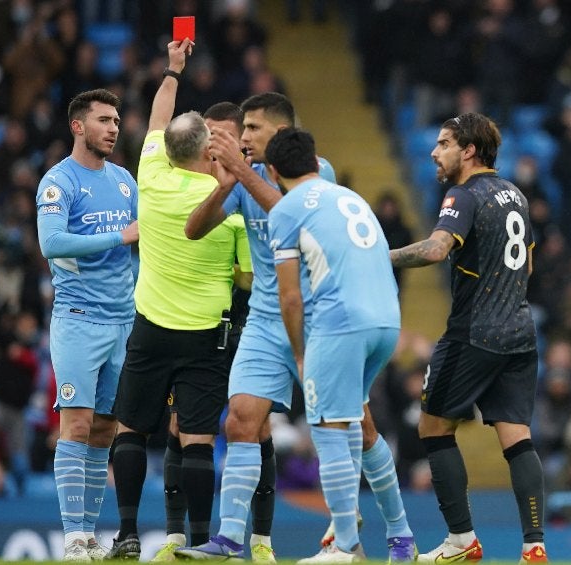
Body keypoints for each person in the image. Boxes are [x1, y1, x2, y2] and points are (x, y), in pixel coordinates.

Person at [176, 92, 415, 562]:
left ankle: (398, 533)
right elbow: (194, 229)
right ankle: (228, 538)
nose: (243, 138)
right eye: (241, 130)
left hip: (321, 316)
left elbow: (286, 210)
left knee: (360, 430)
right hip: (268, 318)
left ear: (282, 134)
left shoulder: (316, 172)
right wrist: (225, 186)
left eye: (253, 129)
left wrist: (242, 174)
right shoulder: (240, 179)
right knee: (241, 419)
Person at [105, 38, 252, 559]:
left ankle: (125, 533)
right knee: (196, 440)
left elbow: (157, 119)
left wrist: (172, 70)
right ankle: (198, 541)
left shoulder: (150, 175)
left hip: (150, 328)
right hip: (206, 336)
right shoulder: (230, 207)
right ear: (207, 152)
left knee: (130, 428)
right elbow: (245, 278)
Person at [389, 112, 547, 564]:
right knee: (517, 436)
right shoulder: (515, 194)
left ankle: (462, 539)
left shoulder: (464, 193)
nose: (434, 153)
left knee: (433, 426)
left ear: (469, 150)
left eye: (443, 144)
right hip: (520, 331)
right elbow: (528, 268)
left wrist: (376, 255)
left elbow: (437, 249)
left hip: (474, 331)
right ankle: (534, 546)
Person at [268, 127, 401, 563]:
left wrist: (301, 352)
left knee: (327, 430)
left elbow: (289, 295)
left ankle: (344, 546)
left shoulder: (286, 210)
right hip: (386, 320)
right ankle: (400, 539)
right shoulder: (350, 197)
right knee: (360, 427)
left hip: (340, 324)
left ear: (272, 171)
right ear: (315, 160)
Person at [151, 102, 262, 563]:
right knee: (182, 426)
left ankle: (261, 540)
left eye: (223, 136)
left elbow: (250, 277)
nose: (212, 144)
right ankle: (180, 536)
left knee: (254, 426)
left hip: (244, 321)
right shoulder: (201, 191)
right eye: (208, 136)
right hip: (199, 324)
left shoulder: (246, 192)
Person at [35, 88, 139, 561]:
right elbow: (52, 243)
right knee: (75, 425)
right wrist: (120, 234)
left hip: (124, 320)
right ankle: (73, 537)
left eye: (116, 120)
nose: (114, 128)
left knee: (105, 430)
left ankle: (91, 537)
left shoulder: (123, 181)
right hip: (79, 319)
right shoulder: (59, 182)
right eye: (103, 120)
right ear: (78, 126)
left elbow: (140, 250)